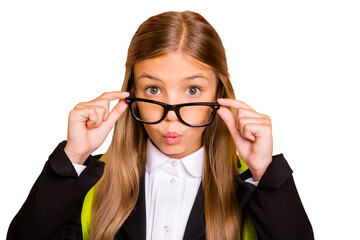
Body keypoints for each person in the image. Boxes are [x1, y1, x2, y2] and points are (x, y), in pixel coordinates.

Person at [7, 11, 314, 240]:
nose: (171, 115)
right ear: (133, 95)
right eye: (153, 90)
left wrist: (264, 172)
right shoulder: (92, 184)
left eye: (192, 90)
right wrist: (72, 158)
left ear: (219, 95)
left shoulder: (252, 189)